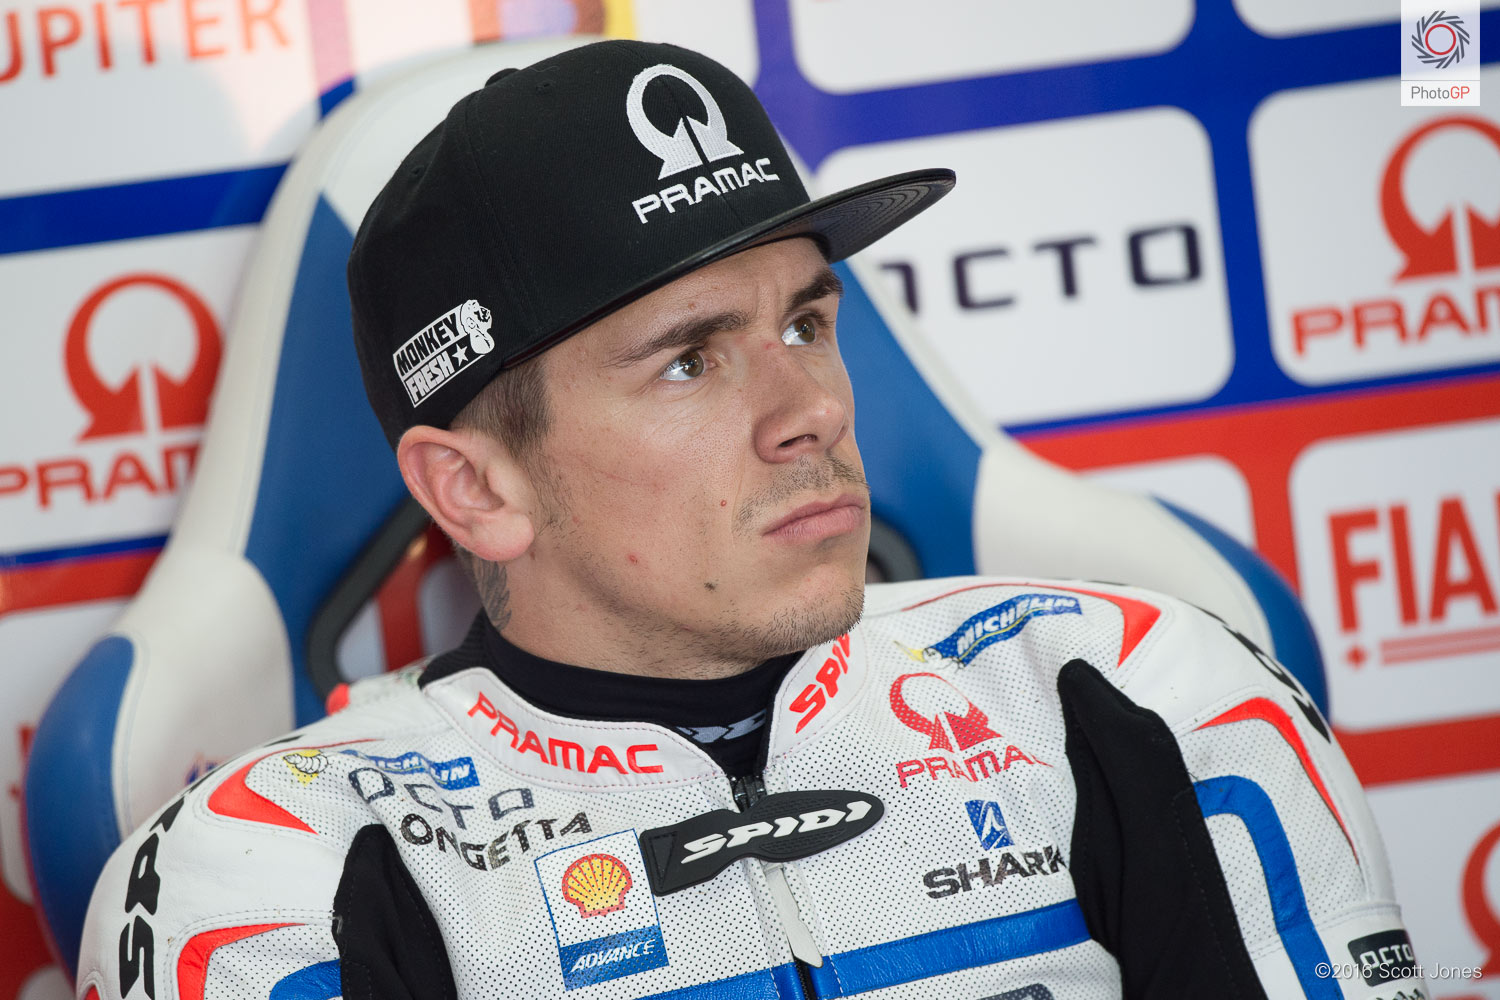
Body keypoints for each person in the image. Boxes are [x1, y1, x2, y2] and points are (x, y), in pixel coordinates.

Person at [75, 39, 1420, 1000]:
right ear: (476, 489)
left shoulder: (1133, 689)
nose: (812, 410)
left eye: (808, 323)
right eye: (690, 360)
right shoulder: (279, 871)